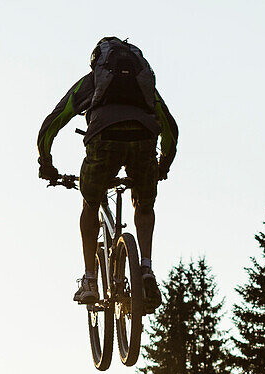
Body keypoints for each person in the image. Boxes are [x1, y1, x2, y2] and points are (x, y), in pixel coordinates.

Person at [37, 37, 178, 307]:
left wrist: (47, 163)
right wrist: (164, 164)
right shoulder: (144, 86)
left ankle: (90, 279)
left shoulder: (91, 82)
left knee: (90, 203)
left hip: (104, 141)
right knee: (145, 205)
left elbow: (54, 121)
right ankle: (145, 268)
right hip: (144, 140)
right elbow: (170, 126)